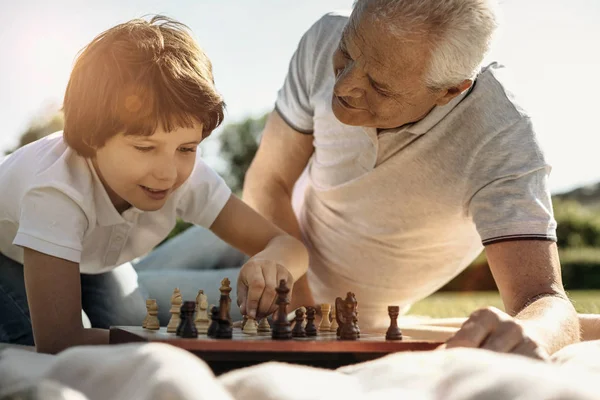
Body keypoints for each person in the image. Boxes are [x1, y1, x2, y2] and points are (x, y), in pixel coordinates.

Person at [137, 0, 581, 359]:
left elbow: (544, 298)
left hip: (330, 305)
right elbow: (268, 181)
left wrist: (532, 333)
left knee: (120, 303)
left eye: (381, 87)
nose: (344, 86)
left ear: (451, 90)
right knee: (114, 273)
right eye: (347, 53)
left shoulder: (503, 137)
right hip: (269, 228)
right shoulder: (323, 37)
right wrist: (301, 304)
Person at [0, 16, 308, 354]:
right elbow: (60, 340)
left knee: (129, 317)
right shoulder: (54, 192)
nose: (168, 174)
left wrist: (274, 260)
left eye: (187, 148)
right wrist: (180, 342)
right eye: (145, 148)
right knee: (40, 345)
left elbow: (289, 246)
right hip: (8, 257)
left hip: (95, 261)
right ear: (92, 138)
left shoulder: (186, 175)